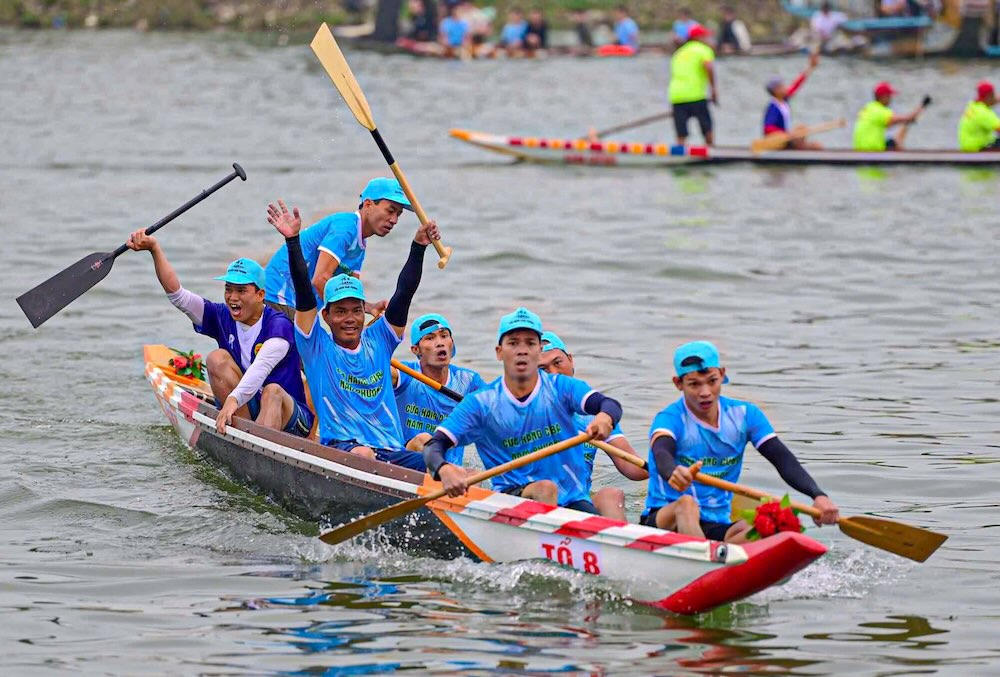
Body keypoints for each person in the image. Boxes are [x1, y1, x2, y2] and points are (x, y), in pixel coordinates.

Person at [267, 199, 440, 469]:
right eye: (340, 311)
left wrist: (418, 246)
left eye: (356, 311)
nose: (349, 319)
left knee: (438, 461)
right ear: (326, 316)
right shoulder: (316, 346)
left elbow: (404, 293)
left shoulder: (379, 340)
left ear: (363, 313)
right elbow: (304, 294)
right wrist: (293, 242)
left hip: (389, 451)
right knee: (364, 455)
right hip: (344, 450)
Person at [422, 308, 624, 509]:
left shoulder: (562, 388)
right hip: (512, 499)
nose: (522, 350)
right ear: (499, 352)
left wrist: (604, 417)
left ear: (539, 351)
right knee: (545, 488)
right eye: (513, 343)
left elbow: (609, 405)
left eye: (530, 343)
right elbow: (434, 446)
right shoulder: (481, 403)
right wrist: (444, 469)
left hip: (573, 500)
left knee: (609, 496)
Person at [641, 341, 840, 543]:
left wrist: (818, 496)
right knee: (687, 504)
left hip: (716, 522)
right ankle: (705, 555)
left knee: (773, 526)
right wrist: (673, 472)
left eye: (712, 381)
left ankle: (717, 554)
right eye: (694, 384)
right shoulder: (669, 418)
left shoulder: (745, 415)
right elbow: (661, 452)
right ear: (678, 383)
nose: (705, 392)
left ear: (722, 374)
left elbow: (782, 458)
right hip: (664, 518)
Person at [126, 234, 313, 439]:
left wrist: (232, 400)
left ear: (260, 295)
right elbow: (178, 296)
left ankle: (253, 443)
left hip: (292, 418)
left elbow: (261, 368)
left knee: (272, 391)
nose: (232, 297)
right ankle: (242, 432)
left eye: (241, 290)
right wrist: (154, 249)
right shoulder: (222, 315)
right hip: (250, 406)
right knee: (216, 359)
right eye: (228, 289)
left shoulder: (279, 325)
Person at [263, 177, 412, 320]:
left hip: (298, 306)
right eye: (390, 211)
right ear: (368, 205)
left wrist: (369, 307)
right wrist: (347, 317)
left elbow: (349, 292)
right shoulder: (345, 227)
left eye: (398, 214)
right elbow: (320, 279)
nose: (394, 220)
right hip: (278, 297)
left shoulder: (360, 243)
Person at [539, 331, 648, 520]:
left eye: (558, 363)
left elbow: (633, 467)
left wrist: (669, 463)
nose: (554, 374)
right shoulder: (518, 412)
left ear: (570, 360)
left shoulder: (595, 418)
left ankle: (618, 538)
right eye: (543, 369)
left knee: (612, 495)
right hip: (531, 501)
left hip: (576, 503)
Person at [393, 314, 486, 456]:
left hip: (449, 464)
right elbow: (371, 368)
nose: (440, 343)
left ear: (452, 342)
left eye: (444, 336)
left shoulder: (469, 381)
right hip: (407, 457)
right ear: (416, 349)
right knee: (424, 439)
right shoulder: (404, 373)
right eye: (430, 338)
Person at [762, 51, 822, 149]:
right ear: (775, 91)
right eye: (781, 86)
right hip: (777, 141)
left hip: (785, 138)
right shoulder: (773, 107)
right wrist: (787, 134)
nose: (785, 87)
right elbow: (768, 128)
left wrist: (811, 67)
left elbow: (796, 84)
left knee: (802, 129)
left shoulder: (784, 100)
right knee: (815, 146)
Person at [669, 24, 717, 146]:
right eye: (705, 36)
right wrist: (713, 90)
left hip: (676, 95)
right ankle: (710, 149)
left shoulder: (679, 52)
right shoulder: (704, 50)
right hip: (696, 95)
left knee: (681, 134)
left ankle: (680, 150)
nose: (708, 39)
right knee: (707, 129)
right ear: (699, 38)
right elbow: (709, 67)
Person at [852, 82, 925, 151]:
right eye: (889, 96)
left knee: (896, 137)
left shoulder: (868, 107)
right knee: (896, 141)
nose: (891, 99)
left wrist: (907, 122)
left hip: (860, 149)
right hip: (873, 150)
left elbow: (892, 124)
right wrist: (923, 105)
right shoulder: (880, 111)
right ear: (883, 97)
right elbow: (910, 118)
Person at [958, 81, 1000, 152]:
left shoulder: (973, 106)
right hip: (979, 147)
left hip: (968, 146)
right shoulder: (983, 113)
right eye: (994, 95)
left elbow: (992, 101)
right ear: (989, 96)